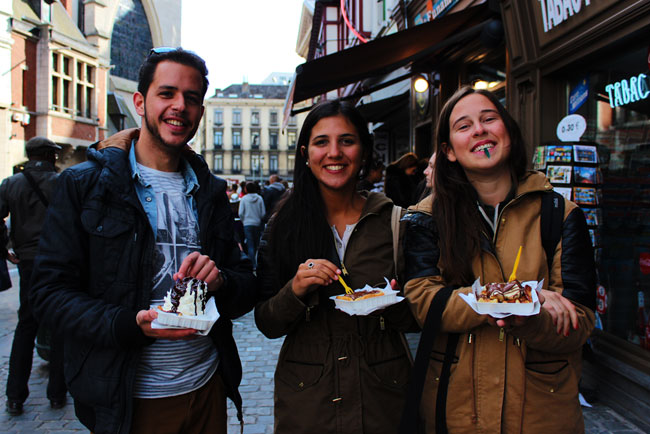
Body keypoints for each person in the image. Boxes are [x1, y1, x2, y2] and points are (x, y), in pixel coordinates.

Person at [30, 48, 256, 434]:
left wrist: (222, 281)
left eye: (192, 98)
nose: (179, 106)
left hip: (207, 388)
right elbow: (49, 295)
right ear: (140, 102)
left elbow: (246, 284)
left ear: (201, 110)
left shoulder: (211, 191)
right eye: (166, 93)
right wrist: (129, 324)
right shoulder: (84, 186)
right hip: (130, 400)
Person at [401, 86, 596, 433]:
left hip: (542, 413)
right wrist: (524, 297)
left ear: (508, 131)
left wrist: (531, 319)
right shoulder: (425, 218)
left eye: (489, 119)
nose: (479, 130)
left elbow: (578, 320)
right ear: (448, 151)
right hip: (455, 410)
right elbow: (424, 302)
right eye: (464, 125)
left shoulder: (561, 214)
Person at [255, 100, 416, 433]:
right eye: (321, 142)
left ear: (364, 150)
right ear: (305, 153)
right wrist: (296, 290)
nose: (334, 153)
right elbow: (266, 322)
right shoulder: (281, 226)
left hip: (384, 396)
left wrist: (391, 302)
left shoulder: (395, 221)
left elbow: (417, 317)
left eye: (347, 140)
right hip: (309, 400)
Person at [0, 137, 66, 415]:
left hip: (27, 262)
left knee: (25, 326)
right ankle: (57, 393)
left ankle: (15, 396)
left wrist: (5, 246)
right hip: (59, 262)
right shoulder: (62, 182)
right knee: (61, 324)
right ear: (51, 156)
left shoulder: (11, 183)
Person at [238, 181, 265, 269]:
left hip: (247, 223)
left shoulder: (244, 199)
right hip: (257, 223)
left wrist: (244, 221)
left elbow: (241, 213)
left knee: (250, 245)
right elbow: (263, 213)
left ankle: (253, 264)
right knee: (257, 245)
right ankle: (257, 263)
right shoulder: (259, 198)